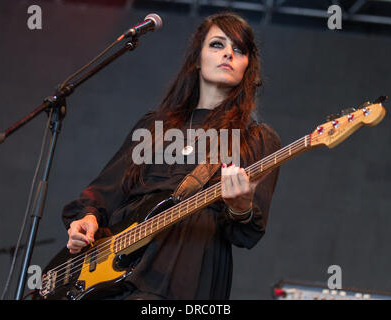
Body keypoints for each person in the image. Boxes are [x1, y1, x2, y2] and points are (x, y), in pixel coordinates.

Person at [62, 12, 281, 300]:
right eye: (217, 44)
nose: (228, 53)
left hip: (184, 272)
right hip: (110, 269)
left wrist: (240, 206)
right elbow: (104, 192)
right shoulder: (154, 126)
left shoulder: (255, 139)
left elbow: (247, 232)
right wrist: (88, 217)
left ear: (247, 66)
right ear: (197, 57)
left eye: (239, 49)